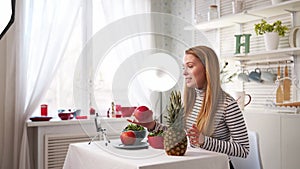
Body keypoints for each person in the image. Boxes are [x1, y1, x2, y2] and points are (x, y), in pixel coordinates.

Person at [128, 46, 249, 169]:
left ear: (208, 69)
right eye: (184, 68)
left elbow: (243, 149)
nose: (185, 73)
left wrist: (204, 141)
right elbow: (178, 135)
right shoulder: (190, 101)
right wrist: (152, 126)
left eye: (190, 66)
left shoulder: (228, 105)